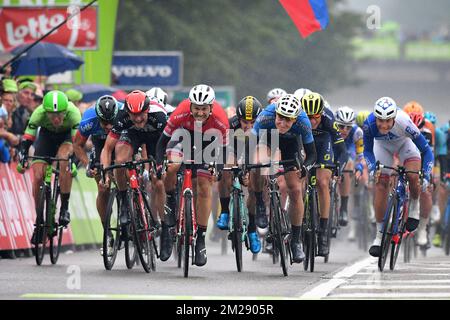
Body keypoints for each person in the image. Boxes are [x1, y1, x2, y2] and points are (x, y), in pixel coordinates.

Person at [155, 84, 230, 266]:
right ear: (190, 106)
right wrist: (159, 165)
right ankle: (171, 203)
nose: (200, 113)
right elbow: (162, 142)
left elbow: (224, 150)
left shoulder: (220, 119)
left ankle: (201, 240)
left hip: (208, 143)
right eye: (196, 108)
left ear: (211, 107)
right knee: (172, 166)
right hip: (181, 138)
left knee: (204, 185)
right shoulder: (180, 112)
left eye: (204, 109)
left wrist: (218, 168)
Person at [363, 97, 434, 257]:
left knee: (412, 176)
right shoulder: (369, 124)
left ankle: (414, 206)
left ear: (394, 118)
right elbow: (367, 151)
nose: (384, 125)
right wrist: (373, 168)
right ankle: (379, 236)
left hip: (405, 145)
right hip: (382, 147)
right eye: (380, 120)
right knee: (381, 184)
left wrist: (427, 175)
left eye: (388, 121)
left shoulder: (404, 122)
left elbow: (426, 150)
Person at [250, 94, 317, 263]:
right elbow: (250, 144)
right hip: (266, 139)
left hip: (290, 144)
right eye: (280, 118)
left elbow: (312, 154)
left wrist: (304, 167)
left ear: (295, 119)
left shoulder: (303, 122)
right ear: (276, 114)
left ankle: (296, 241)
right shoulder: (266, 116)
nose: (283, 123)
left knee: (295, 189)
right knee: (257, 165)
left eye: (288, 120)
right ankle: (259, 202)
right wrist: (246, 166)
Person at [100, 90, 167, 251]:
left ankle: (165, 227)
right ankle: (124, 201)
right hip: (133, 135)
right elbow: (107, 149)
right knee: (121, 161)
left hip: (156, 140)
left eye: (141, 114)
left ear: (147, 110)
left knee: (158, 181)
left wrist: (161, 164)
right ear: (127, 112)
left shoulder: (159, 116)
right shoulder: (121, 117)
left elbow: (168, 144)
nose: (137, 119)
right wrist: (105, 172)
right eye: (133, 115)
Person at [17, 90, 81, 243]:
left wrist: (73, 161)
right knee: (38, 175)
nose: (56, 118)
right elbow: (27, 139)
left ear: (66, 111)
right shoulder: (38, 113)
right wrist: (23, 156)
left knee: (64, 159)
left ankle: (64, 208)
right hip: (46, 137)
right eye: (52, 115)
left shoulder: (74, 113)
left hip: (67, 137)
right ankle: (39, 219)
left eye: (60, 114)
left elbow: (77, 143)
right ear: (45, 112)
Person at [302, 92, 348, 256]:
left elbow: (342, 152)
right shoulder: (298, 121)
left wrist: (338, 167)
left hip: (323, 145)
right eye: (308, 117)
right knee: (298, 178)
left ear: (321, 113)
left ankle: (322, 232)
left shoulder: (329, 122)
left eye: (316, 117)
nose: (312, 121)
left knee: (322, 182)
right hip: (306, 146)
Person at [216, 95, 263, 253]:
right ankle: (224, 211)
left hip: (253, 153)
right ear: (238, 118)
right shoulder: (231, 125)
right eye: (245, 122)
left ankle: (251, 229)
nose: (248, 126)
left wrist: (249, 170)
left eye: (252, 122)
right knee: (226, 169)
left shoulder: (263, 127)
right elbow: (222, 150)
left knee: (255, 185)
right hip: (234, 151)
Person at [73, 95, 121, 233]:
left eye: (111, 122)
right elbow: (77, 145)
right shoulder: (89, 120)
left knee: (124, 167)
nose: (109, 126)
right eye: (104, 123)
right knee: (102, 188)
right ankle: (106, 230)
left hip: (120, 141)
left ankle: (130, 203)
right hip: (99, 143)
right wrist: (88, 164)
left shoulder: (124, 113)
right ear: (98, 118)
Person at [335, 106, 365, 240]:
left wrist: (359, 167)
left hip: (349, 150)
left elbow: (359, 155)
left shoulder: (357, 132)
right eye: (341, 126)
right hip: (334, 149)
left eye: (348, 127)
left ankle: (344, 208)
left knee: (348, 164)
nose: (344, 130)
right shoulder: (332, 129)